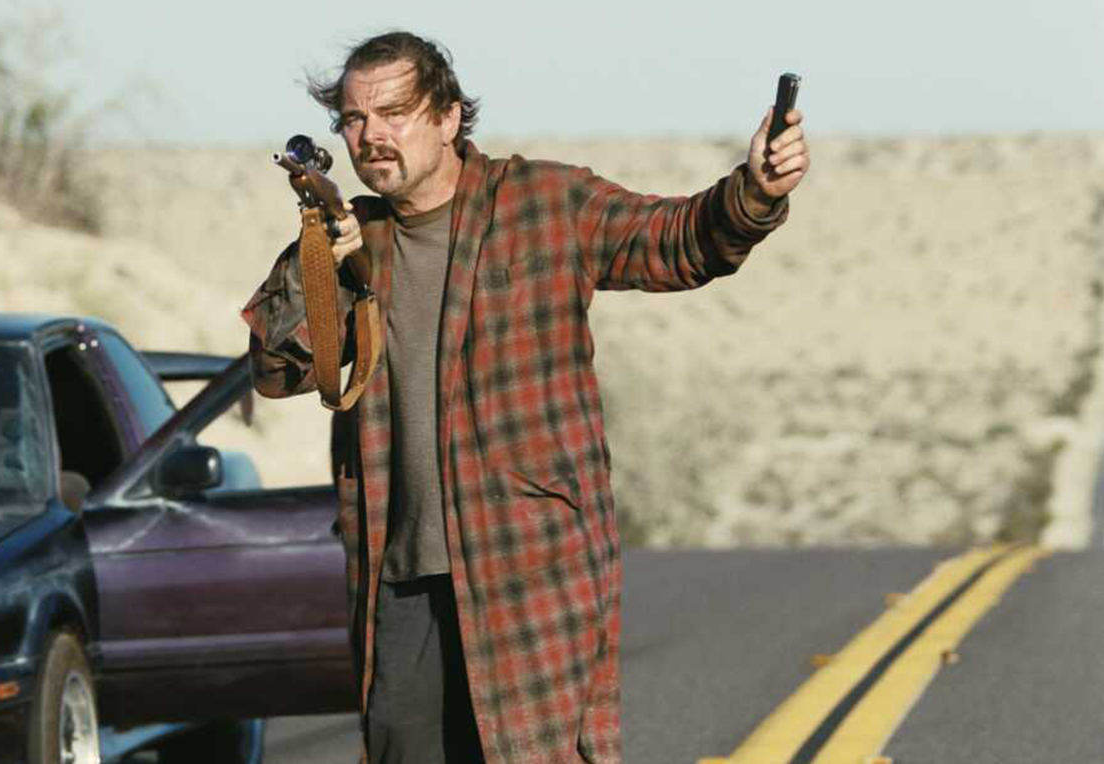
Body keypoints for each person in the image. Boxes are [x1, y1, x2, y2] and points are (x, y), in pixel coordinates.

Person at [242, 31, 808, 764]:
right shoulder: (357, 240)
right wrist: (313, 259)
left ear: (448, 116)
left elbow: (680, 241)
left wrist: (754, 193)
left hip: (529, 569)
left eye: (394, 113)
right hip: (400, 577)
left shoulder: (543, 203)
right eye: (354, 119)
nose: (371, 135)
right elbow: (275, 369)